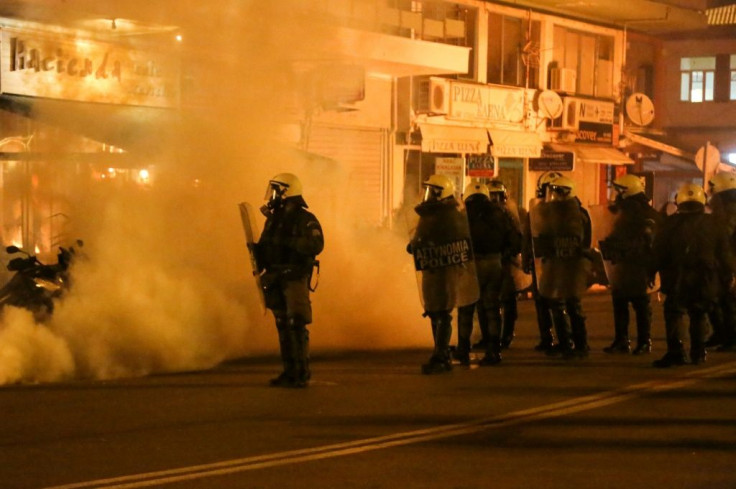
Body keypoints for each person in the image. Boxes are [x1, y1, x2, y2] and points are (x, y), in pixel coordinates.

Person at [651, 182, 735, 368]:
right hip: (705, 277)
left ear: (679, 201)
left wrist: (651, 273)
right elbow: (724, 253)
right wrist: (729, 274)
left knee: (674, 313)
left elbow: (658, 252)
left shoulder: (670, 224)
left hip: (676, 277)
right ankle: (698, 353)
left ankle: (676, 352)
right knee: (698, 313)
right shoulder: (715, 224)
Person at [253, 173, 324, 387]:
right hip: (275, 277)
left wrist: (290, 242)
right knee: (282, 323)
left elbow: (316, 244)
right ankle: (289, 371)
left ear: (287, 192)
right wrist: (257, 253)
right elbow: (267, 245)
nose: (272, 195)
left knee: (296, 323)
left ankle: (301, 372)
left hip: (294, 276)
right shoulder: (273, 220)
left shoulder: (305, 219)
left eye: (276, 190)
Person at [408, 174, 479, 374]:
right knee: (434, 311)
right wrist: (415, 245)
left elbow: (453, 241)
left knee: (442, 312)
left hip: (445, 271)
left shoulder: (450, 215)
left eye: (433, 191)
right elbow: (419, 239)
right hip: (432, 269)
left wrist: (423, 244)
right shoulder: (431, 214)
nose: (429, 195)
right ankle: (441, 352)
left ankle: (441, 355)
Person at [454, 180, 520, 366]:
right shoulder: (501, 214)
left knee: (466, 308)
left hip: (470, 264)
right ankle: (494, 350)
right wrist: (502, 255)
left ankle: (463, 349)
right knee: (492, 309)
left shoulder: (462, 215)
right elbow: (515, 241)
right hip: (493, 263)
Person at [530, 175, 592, 359]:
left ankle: (581, 344)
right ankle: (565, 342)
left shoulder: (578, 214)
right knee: (556, 303)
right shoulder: (548, 212)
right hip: (555, 262)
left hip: (572, 264)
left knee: (573, 304)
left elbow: (583, 240)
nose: (554, 196)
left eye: (558, 192)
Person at [600, 174, 662, 355]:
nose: (615, 194)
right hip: (622, 263)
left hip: (638, 264)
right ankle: (622, 340)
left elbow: (649, 240)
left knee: (640, 304)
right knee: (620, 302)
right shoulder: (622, 210)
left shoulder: (643, 213)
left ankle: (644, 341)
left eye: (618, 191)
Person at [522, 171, 563, 352]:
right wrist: (527, 257)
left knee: (558, 303)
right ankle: (547, 337)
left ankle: (565, 340)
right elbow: (528, 236)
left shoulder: (569, 209)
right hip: (540, 261)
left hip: (559, 262)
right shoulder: (536, 210)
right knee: (542, 303)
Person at [705, 171, 736, 351]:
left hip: (728, 258)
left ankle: (730, 336)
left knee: (727, 299)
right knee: (717, 298)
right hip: (723, 257)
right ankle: (722, 333)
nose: (711, 192)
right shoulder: (723, 207)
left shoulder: (730, 209)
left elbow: (725, 233)